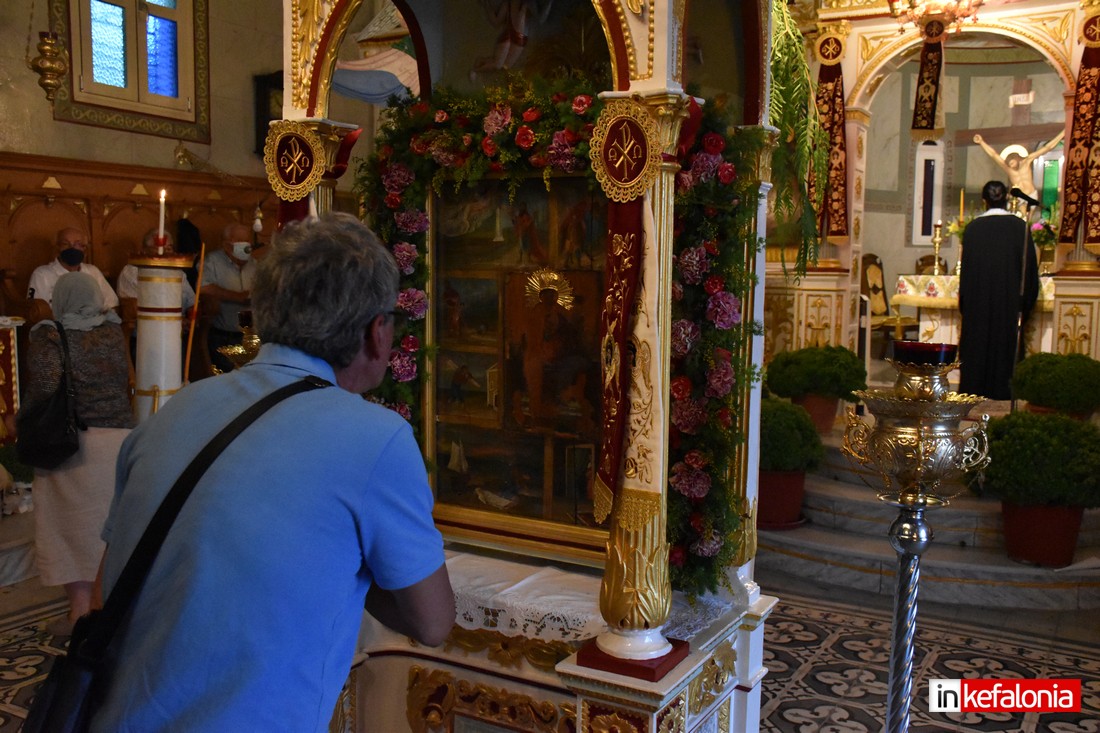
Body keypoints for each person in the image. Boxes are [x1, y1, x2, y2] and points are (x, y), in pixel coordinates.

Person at [91, 214, 454, 731]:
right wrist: (346, 561)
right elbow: (433, 621)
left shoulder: (176, 409)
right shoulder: (375, 437)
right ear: (377, 332)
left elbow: (106, 587)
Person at [19, 271, 133, 628]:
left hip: (70, 445)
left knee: (70, 529)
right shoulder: (113, 332)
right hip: (117, 441)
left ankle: (81, 611)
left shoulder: (51, 336)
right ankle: (106, 607)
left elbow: (43, 390)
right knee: (106, 528)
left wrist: (18, 420)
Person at [959, 180, 1040, 400]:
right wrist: (1025, 305)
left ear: (984, 201)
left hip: (978, 308)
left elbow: (965, 275)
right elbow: (1029, 274)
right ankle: (1005, 396)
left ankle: (973, 395)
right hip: (1009, 308)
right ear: (1007, 199)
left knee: (977, 350)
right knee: (1006, 353)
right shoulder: (1020, 227)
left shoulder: (973, 229)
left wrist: (966, 305)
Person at [201, 222, 256, 372]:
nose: (246, 245)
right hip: (224, 336)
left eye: (247, 240)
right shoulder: (212, 262)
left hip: (251, 337)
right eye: (240, 240)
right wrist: (237, 297)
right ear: (227, 245)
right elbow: (203, 288)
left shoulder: (254, 264)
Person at [27, 227, 119, 312]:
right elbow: (36, 310)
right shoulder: (42, 274)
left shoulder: (92, 271)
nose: (72, 248)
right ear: (58, 248)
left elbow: (112, 304)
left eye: (77, 244)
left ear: (85, 249)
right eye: (65, 244)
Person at [116, 229, 197, 312]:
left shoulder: (177, 272)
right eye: (159, 249)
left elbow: (192, 303)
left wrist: (193, 312)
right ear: (145, 250)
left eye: (169, 249)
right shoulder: (131, 272)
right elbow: (132, 310)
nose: (164, 253)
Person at [972, 131, 1065, 200]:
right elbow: (993, 154)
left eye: (1012, 162)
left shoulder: (1027, 161)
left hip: (1031, 194)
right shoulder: (1008, 168)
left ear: (1017, 158)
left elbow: (1047, 147)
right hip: (1019, 198)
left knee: (1027, 218)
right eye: (1009, 163)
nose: (1011, 165)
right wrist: (981, 142)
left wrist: (1063, 133)